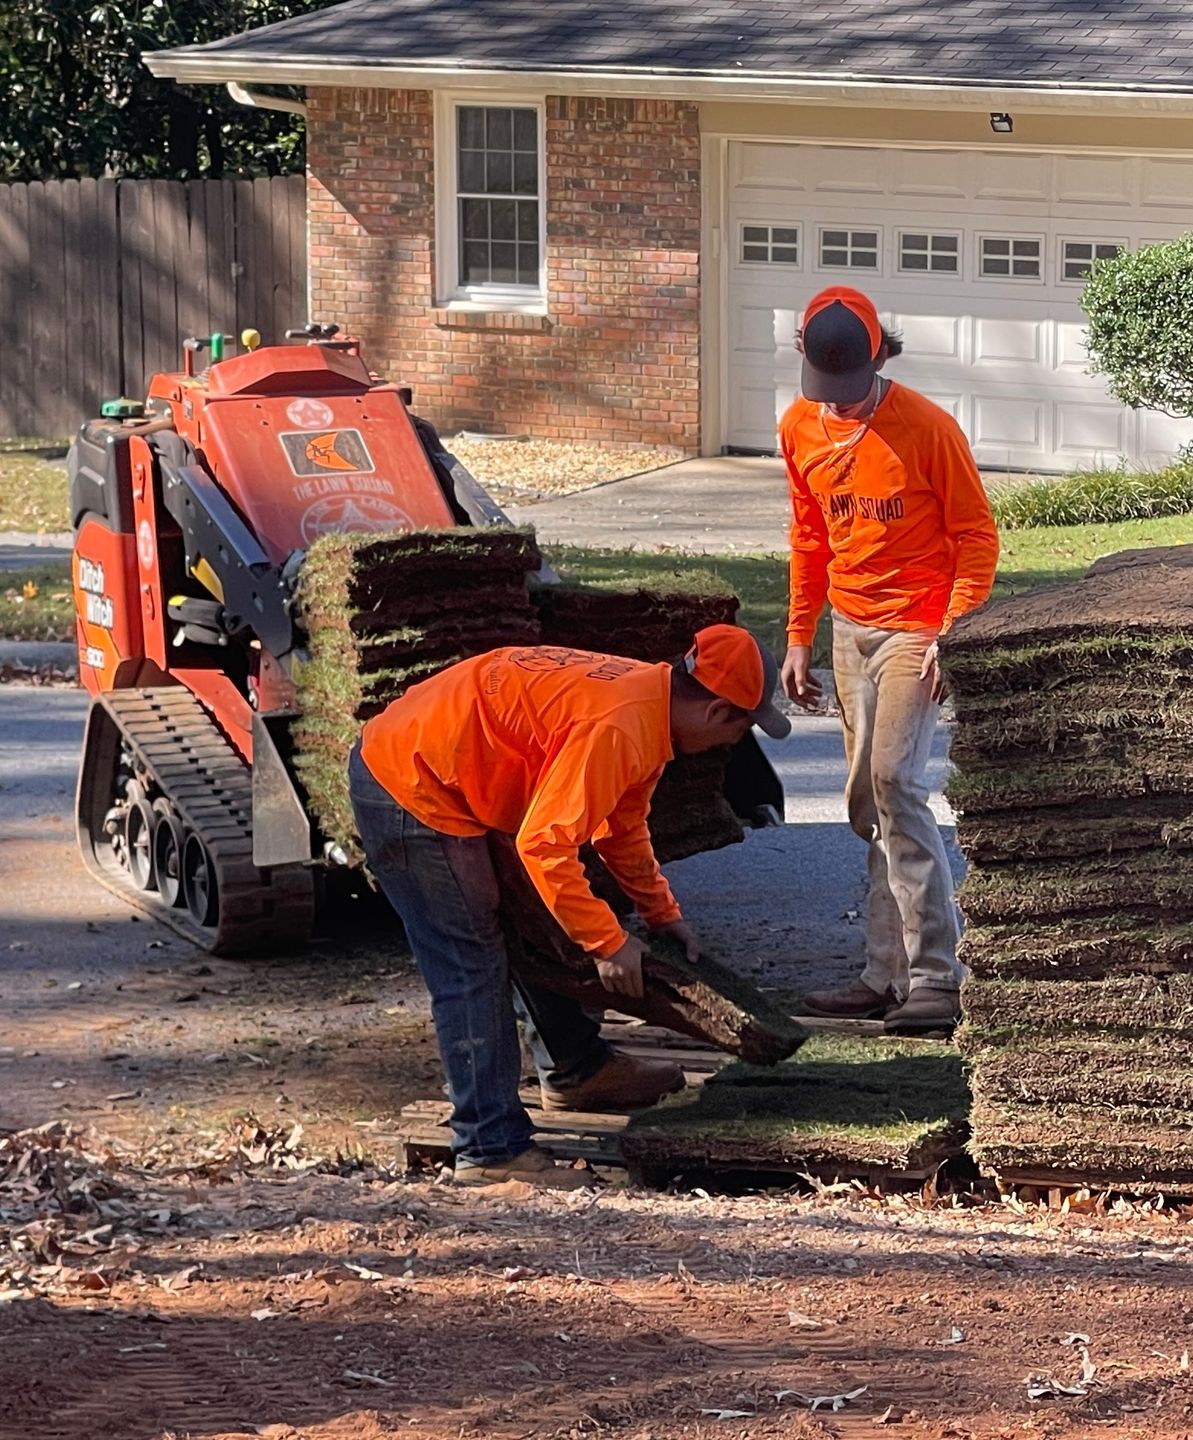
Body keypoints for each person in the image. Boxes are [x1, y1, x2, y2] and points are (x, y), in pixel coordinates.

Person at [348, 628, 790, 1187]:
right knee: (472, 961)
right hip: (410, 782)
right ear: (718, 710)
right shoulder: (622, 723)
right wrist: (608, 943)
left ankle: (577, 1070)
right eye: (741, 728)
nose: (733, 744)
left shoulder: (649, 703)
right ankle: (488, 1149)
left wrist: (661, 914)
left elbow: (622, 825)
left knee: (529, 924)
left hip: (445, 765)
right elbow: (545, 844)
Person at [779, 285, 1000, 1033]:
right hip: (850, 628)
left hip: (916, 629)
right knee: (863, 805)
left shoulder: (927, 429)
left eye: (851, 389)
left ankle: (938, 976)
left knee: (893, 787)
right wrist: (800, 634)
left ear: (880, 355)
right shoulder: (798, 427)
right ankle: (885, 972)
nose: (838, 405)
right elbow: (809, 534)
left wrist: (952, 631)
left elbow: (976, 536)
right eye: (826, 391)